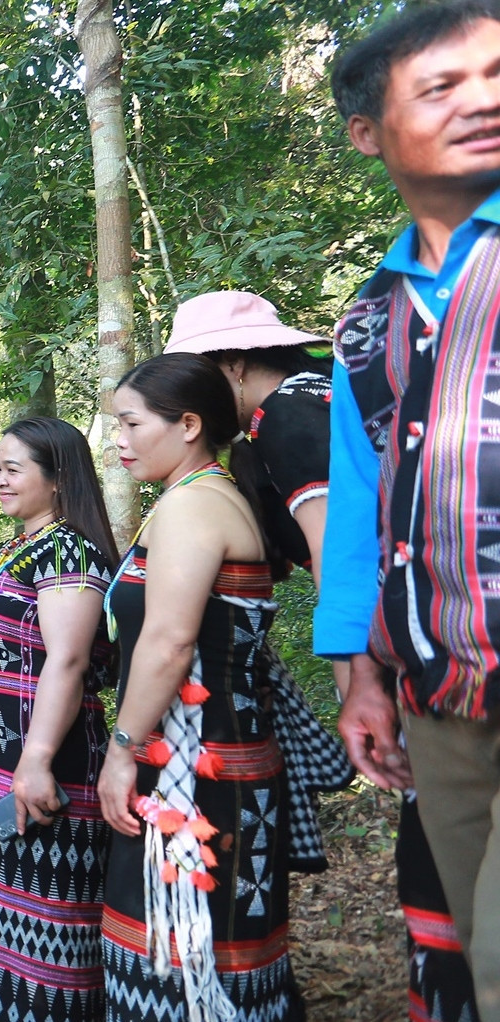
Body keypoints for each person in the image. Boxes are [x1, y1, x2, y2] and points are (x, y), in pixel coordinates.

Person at [167, 291, 466, 1014]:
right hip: (440, 634)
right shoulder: (322, 396)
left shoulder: (292, 419)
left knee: (442, 865)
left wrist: (357, 689)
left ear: (233, 368)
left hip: (417, 653)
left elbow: (341, 557)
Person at [320, 5, 500, 1020]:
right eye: (441, 87)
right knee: (471, 940)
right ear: (369, 131)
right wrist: (361, 676)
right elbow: (361, 509)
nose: (484, 100)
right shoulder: (370, 320)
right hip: (439, 690)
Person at [97, 354, 304, 1022]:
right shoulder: (204, 498)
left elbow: (168, 642)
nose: (118, 441)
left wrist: (121, 748)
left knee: (187, 961)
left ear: (188, 424)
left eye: (130, 424)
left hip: (196, 777)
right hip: (216, 766)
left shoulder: (193, 509)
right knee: (211, 952)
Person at [0, 417, 116, 1022]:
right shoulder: (15, 549)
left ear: (57, 480)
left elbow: (70, 658)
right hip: (4, 770)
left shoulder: (68, 548)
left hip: (49, 765)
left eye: (12, 469)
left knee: (50, 931)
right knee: (1, 927)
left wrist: (35, 758)